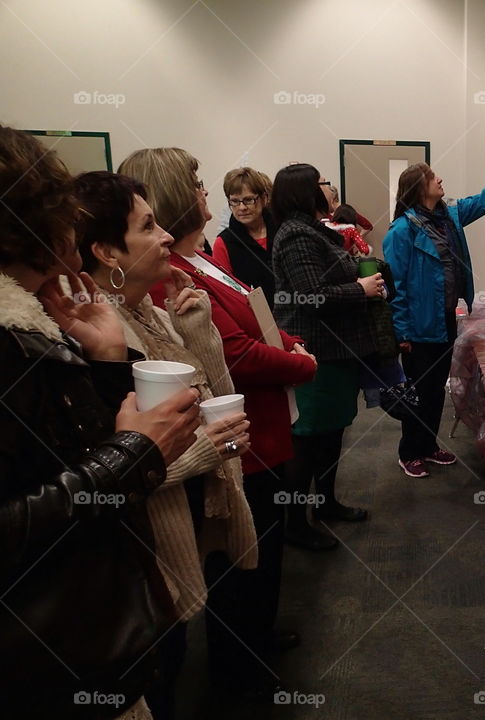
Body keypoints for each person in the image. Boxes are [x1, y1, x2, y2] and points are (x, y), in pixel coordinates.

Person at [0, 125, 201, 719]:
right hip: (50, 658)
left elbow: (80, 447)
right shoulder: (10, 341)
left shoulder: (36, 325)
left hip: (86, 632)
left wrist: (109, 364)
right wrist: (135, 452)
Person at [118, 148, 316, 700]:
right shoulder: (171, 273)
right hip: (232, 438)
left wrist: (289, 346)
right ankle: (239, 673)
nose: (207, 194)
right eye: (198, 183)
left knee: (262, 559)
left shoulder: (202, 256)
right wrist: (301, 362)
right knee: (239, 570)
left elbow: (250, 323)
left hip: (253, 425)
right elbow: (234, 354)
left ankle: (253, 648)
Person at [74, 171, 260, 719]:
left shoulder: (153, 315)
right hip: (144, 549)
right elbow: (108, 465)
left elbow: (221, 399)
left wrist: (200, 332)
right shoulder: (94, 339)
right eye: (147, 226)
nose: (163, 237)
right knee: (157, 676)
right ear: (107, 252)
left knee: (173, 665)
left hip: (186, 522)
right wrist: (204, 450)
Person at [384, 150, 485, 477]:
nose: (440, 179)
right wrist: (400, 334)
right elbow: (396, 287)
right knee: (418, 391)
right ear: (419, 188)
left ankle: (428, 446)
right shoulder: (401, 231)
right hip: (417, 327)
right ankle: (409, 451)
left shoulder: (451, 216)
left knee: (434, 390)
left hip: (444, 320)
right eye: (433, 177)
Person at [271, 164, 383, 544]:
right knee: (307, 438)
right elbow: (311, 295)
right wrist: (360, 289)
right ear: (304, 191)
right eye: (322, 182)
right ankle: (297, 526)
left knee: (332, 432)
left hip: (337, 351)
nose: (328, 187)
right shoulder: (295, 236)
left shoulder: (314, 229)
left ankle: (325, 503)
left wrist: (365, 275)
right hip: (316, 351)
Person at [212, 167, 279, 307]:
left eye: (248, 200)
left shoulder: (282, 229)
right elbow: (226, 294)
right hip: (254, 320)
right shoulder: (223, 243)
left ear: (264, 198)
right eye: (235, 201)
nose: (242, 208)